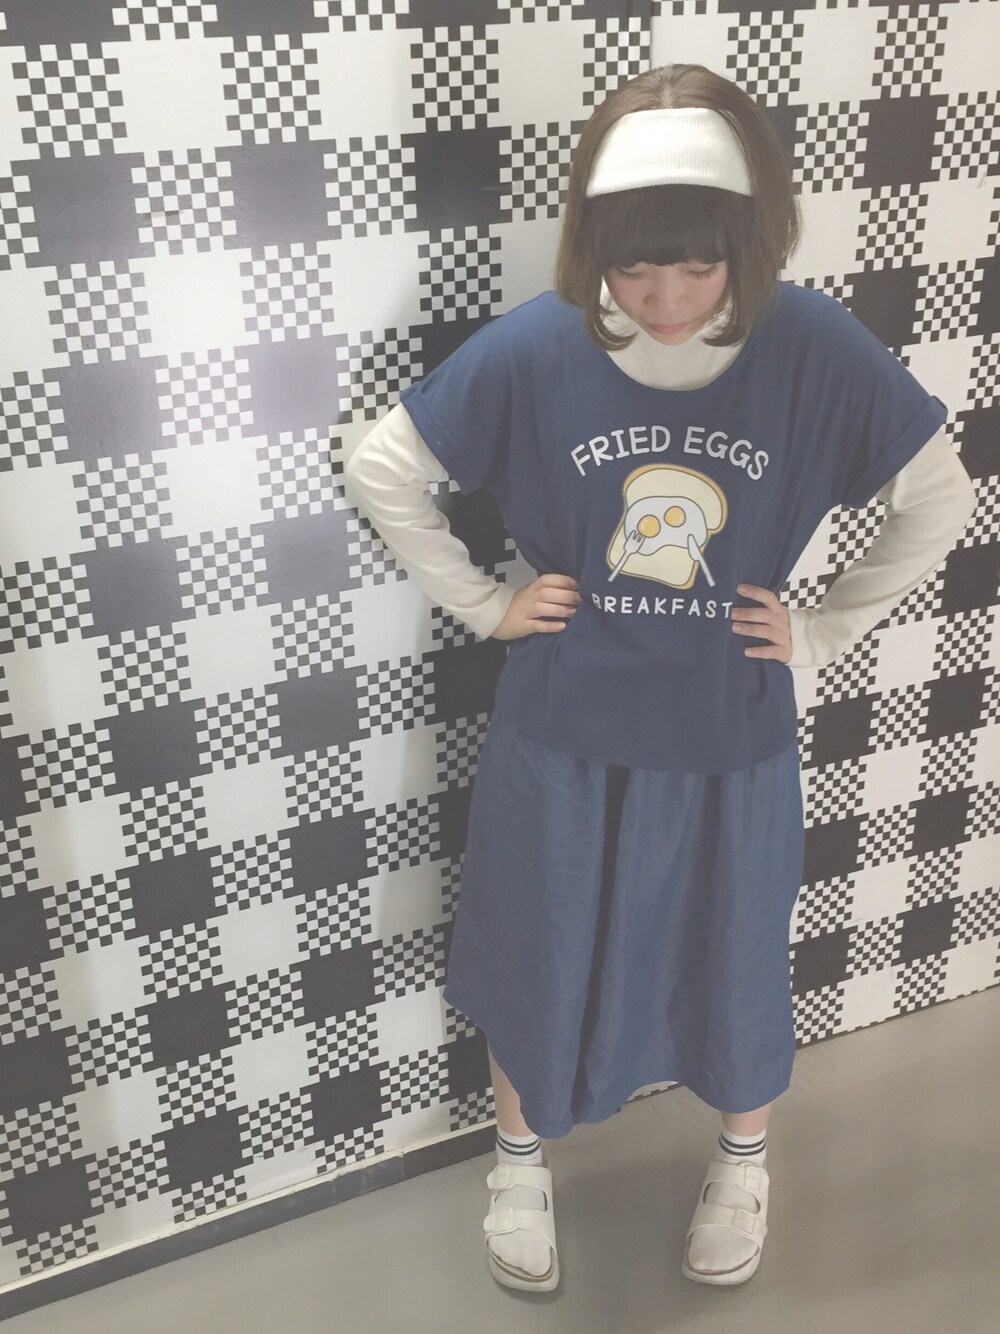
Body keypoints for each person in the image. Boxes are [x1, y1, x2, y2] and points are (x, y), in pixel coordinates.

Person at [343, 64, 976, 1294]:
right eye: (637, 270)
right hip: (560, 725)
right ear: (594, 248)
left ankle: (743, 1161)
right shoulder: (539, 344)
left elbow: (937, 495)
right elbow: (384, 467)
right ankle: (515, 1161)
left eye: (698, 268)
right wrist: (486, 601)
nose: (669, 300)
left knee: (732, 955)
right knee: (537, 944)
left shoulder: (810, 344)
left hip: (727, 729)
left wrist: (823, 628)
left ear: (749, 240)